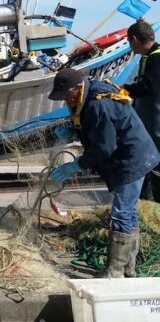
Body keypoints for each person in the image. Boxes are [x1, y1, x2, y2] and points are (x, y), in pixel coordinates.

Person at [49, 68, 160, 278]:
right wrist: (72, 129)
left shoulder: (98, 104)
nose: (65, 99)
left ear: (78, 87)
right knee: (128, 212)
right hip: (130, 155)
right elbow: (93, 125)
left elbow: (104, 148)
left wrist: (76, 165)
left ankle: (115, 271)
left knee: (121, 213)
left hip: (133, 158)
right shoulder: (87, 96)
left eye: (66, 94)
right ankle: (128, 268)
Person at [122, 18, 160, 202]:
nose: (130, 47)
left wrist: (125, 88)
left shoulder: (156, 58)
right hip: (150, 119)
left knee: (153, 160)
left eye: (130, 42)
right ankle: (146, 199)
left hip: (156, 121)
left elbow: (150, 87)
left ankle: (152, 201)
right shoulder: (151, 57)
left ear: (135, 39)